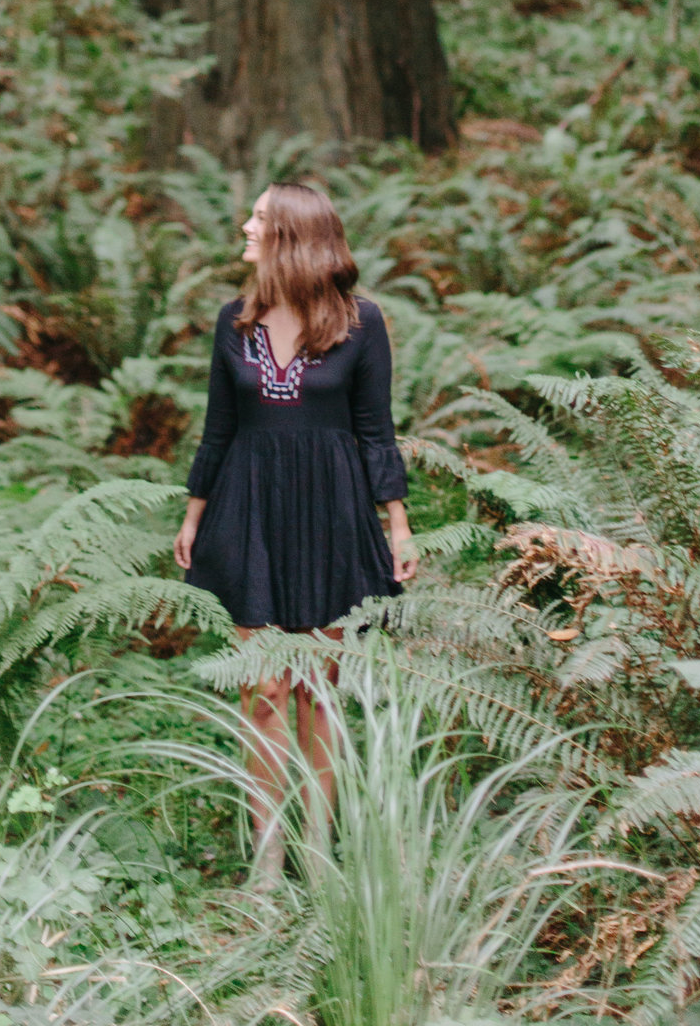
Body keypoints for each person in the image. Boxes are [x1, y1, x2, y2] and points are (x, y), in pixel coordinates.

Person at [173, 179, 418, 882]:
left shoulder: (362, 324)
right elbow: (219, 426)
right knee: (265, 689)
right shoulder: (234, 322)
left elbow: (376, 434)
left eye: (257, 217)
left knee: (316, 690)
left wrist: (397, 525)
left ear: (290, 234)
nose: (245, 225)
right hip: (247, 511)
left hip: (333, 515)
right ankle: (268, 863)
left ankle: (316, 852)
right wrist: (194, 513)